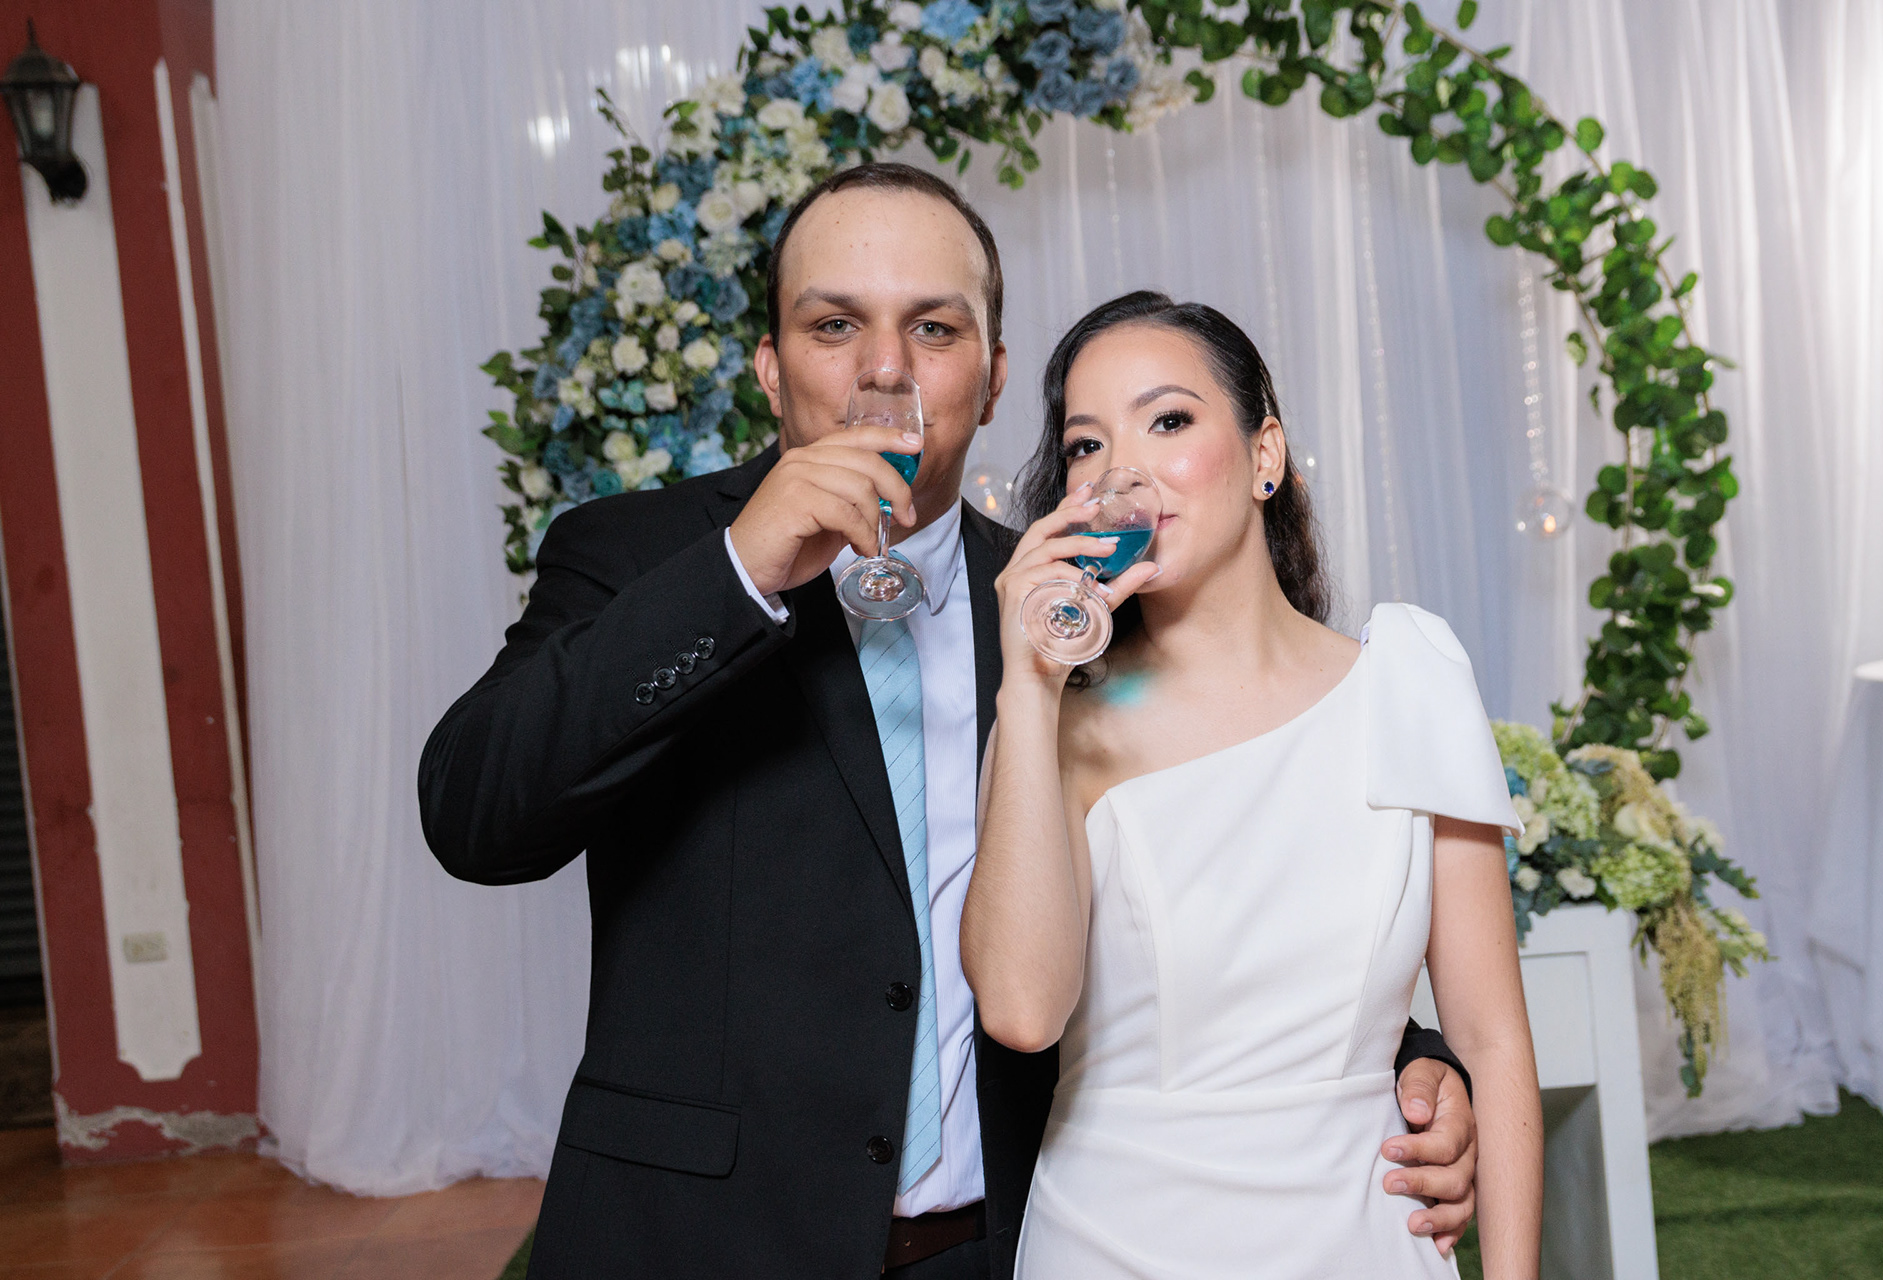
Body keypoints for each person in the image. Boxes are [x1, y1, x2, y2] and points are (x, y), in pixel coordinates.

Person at [419, 164, 1483, 1279]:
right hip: (700, 1246)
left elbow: (1216, 877)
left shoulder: (1066, 607)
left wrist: (1402, 1058)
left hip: (1007, 1244)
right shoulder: (637, 556)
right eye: (835, 325)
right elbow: (473, 815)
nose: (885, 368)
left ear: (991, 377)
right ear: (771, 369)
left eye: (933, 328)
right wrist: (741, 571)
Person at [962, 291, 1544, 1278]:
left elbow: (1492, 1039)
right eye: (1087, 445)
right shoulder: (1054, 722)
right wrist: (1027, 681)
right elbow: (1021, 1012)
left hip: (1367, 1241)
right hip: (1114, 1242)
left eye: (1168, 420)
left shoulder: (1411, 678)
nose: (1124, 472)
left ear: (1264, 453)